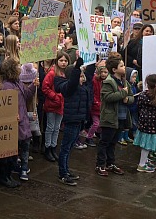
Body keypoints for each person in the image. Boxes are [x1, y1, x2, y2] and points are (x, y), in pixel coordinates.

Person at [54, 56, 94, 186]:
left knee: (70, 147)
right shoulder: (68, 87)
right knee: (65, 148)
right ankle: (62, 174)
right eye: (80, 76)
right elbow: (72, 83)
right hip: (72, 120)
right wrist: (77, 68)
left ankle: (66, 170)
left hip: (79, 120)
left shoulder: (84, 87)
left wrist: (92, 61)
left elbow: (89, 74)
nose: (83, 78)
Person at [1, 57, 37, 183]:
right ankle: (8, 174)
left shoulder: (18, 83)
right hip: (15, 122)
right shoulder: (6, 86)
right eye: (17, 66)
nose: (19, 68)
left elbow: (26, 95)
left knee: (25, 145)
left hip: (23, 121)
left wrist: (33, 86)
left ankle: (22, 168)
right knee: (13, 149)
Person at [97, 57, 133, 176]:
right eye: (121, 66)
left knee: (113, 142)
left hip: (121, 117)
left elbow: (132, 96)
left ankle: (110, 163)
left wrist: (128, 99)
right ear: (114, 69)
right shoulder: (108, 82)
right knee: (105, 141)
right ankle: (100, 165)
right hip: (110, 117)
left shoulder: (125, 82)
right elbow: (107, 97)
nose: (124, 68)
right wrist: (123, 93)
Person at [41, 52, 68, 162]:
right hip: (52, 104)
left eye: (65, 61)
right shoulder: (52, 73)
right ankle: (47, 148)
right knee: (50, 127)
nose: (63, 63)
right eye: (61, 60)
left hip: (61, 105)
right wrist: (55, 97)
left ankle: (53, 147)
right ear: (57, 61)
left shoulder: (66, 73)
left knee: (56, 128)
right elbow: (45, 87)